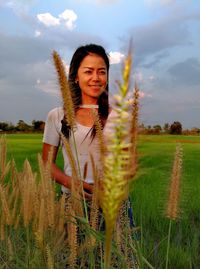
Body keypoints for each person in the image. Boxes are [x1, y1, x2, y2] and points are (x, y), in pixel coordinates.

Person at [42, 44, 114, 200]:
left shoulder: (119, 117)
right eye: (88, 71)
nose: (96, 78)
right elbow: (46, 165)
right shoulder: (57, 116)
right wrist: (72, 184)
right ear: (75, 77)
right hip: (71, 202)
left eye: (102, 72)